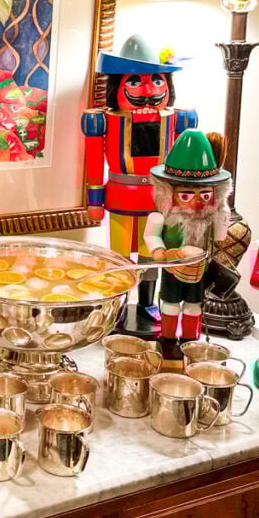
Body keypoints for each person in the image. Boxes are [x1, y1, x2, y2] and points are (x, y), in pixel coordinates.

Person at [81, 34, 197, 334]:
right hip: (121, 198)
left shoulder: (178, 119)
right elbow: (94, 162)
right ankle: (118, 305)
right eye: (134, 81)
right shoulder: (103, 120)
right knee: (120, 256)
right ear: (116, 86)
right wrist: (94, 202)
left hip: (158, 200)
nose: (148, 90)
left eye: (157, 81)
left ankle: (147, 302)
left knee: (152, 253)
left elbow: (187, 162)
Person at [145, 130, 232, 361]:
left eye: (205, 195)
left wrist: (221, 210)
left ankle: (190, 342)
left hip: (199, 270)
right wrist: (159, 251)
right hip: (173, 267)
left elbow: (221, 237)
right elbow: (152, 235)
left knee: (194, 306)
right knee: (170, 305)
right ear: (168, 193)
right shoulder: (161, 216)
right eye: (185, 195)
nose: (196, 202)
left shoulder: (212, 215)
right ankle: (167, 341)